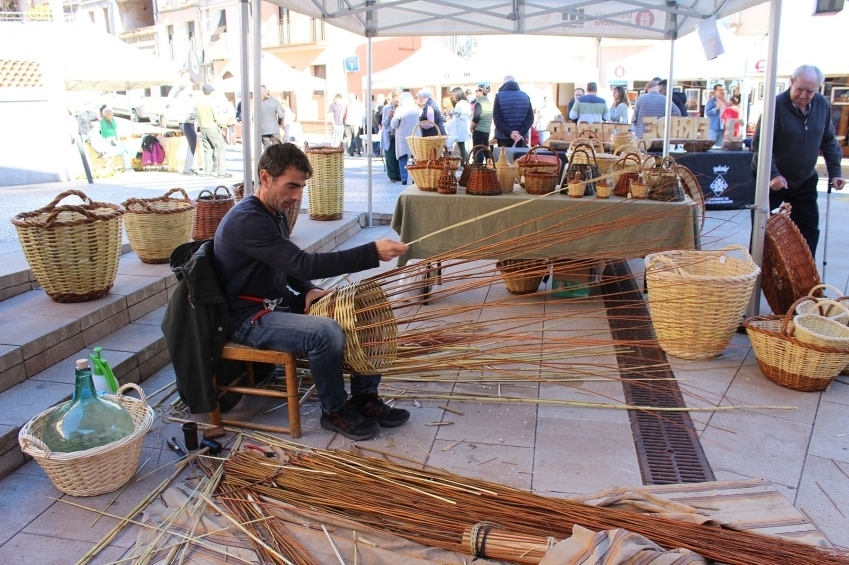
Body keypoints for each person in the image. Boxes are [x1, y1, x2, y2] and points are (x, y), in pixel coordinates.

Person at [212, 143, 410, 440]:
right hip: (248, 317)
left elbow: (288, 265)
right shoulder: (248, 220)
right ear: (265, 178)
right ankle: (334, 410)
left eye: (302, 187)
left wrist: (307, 289)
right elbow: (303, 263)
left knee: (362, 313)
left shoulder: (273, 212)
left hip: (277, 303)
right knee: (324, 332)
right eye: (291, 186)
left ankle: (364, 398)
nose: (297, 196)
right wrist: (371, 252)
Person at [751, 64, 845, 256]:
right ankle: (761, 274)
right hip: (771, 181)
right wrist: (774, 175)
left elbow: (828, 140)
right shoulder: (775, 105)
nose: (803, 95)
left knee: (809, 230)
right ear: (792, 82)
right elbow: (759, 145)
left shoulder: (821, 105)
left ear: (817, 88)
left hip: (804, 181)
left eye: (809, 91)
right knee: (764, 232)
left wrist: (835, 172)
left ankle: (804, 278)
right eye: (800, 89)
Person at [196, 84, 231, 178]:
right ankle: (221, 172)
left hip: (203, 128)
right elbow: (217, 118)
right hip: (212, 128)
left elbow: (197, 116)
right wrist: (223, 123)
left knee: (207, 150)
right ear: (210, 92)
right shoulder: (211, 102)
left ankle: (208, 172)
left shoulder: (199, 102)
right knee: (220, 148)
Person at [492, 75, 534, 147]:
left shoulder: (499, 96)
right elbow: (530, 118)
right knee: (520, 158)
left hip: (503, 137)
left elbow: (497, 119)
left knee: (504, 158)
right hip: (521, 137)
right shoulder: (525, 96)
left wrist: (510, 133)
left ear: (504, 84)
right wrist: (520, 132)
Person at [390, 92, 420, 185]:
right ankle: (415, 178)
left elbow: (394, 123)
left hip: (403, 136)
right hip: (415, 134)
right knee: (415, 157)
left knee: (403, 157)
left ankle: (404, 178)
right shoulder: (415, 108)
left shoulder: (400, 108)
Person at [171, 83, 198, 175]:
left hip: (188, 122)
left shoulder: (184, 96)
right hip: (185, 122)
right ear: (186, 87)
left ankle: (188, 167)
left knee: (192, 144)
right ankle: (187, 168)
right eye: (190, 86)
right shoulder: (182, 97)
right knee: (192, 144)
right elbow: (186, 110)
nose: (192, 88)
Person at [381, 88, 403, 182]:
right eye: (394, 97)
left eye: (398, 97)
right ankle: (392, 175)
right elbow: (384, 124)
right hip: (389, 134)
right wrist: (388, 116)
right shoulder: (387, 108)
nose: (396, 99)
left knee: (399, 155)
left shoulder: (403, 107)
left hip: (400, 134)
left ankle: (399, 174)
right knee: (390, 155)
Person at [446, 87, 472, 163]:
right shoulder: (466, 103)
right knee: (462, 146)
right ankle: (466, 163)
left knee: (462, 147)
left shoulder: (459, 104)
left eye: (453, 94)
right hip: (465, 127)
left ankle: (463, 165)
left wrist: (449, 127)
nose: (452, 97)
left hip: (460, 127)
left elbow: (455, 118)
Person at [470, 85, 493, 162]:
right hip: (486, 130)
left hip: (479, 130)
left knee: (478, 151)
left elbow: (476, 117)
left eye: (477, 91)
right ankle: (490, 167)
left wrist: (471, 127)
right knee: (486, 150)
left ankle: (478, 169)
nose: (475, 92)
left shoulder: (479, 103)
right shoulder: (489, 103)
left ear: (481, 92)